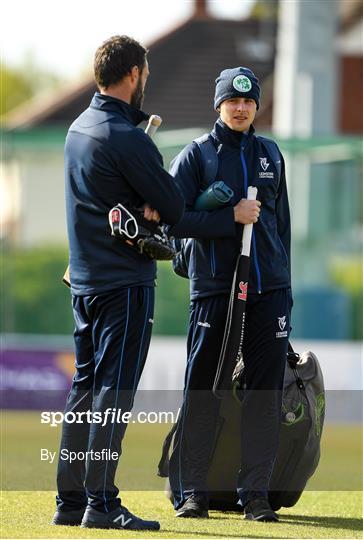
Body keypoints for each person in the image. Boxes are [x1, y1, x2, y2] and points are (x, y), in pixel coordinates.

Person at [52, 35, 184, 531]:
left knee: (85, 387)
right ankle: (101, 502)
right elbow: (172, 206)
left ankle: (70, 500)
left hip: (84, 281)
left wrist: (142, 198)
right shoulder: (126, 136)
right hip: (123, 282)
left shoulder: (78, 127)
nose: (145, 80)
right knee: (114, 391)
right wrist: (155, 200)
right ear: (133, 74)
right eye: (144, 74)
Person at [167, 67, 292, 522]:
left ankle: (256, 495)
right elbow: (172, 221)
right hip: (216, 291)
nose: (240, 109)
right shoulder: (197, 155)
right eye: (232, 102)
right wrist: (231, 218)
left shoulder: (271, 153)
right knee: (204, 391)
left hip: (269, 291)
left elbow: (281, 229)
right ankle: (192, 492)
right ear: (218, 104)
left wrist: (285, 289)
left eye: (248, 102)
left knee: (264, 395)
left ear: (256, 106)